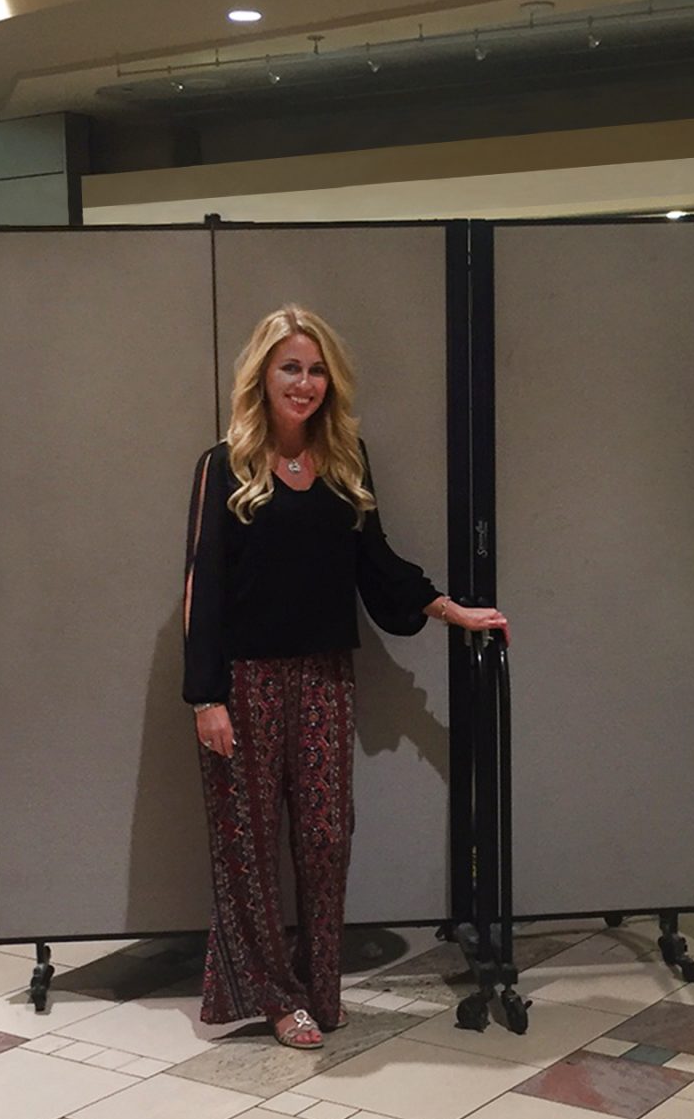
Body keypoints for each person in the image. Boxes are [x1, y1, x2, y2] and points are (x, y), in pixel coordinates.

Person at [183, 304, 508, 1051]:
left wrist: (449, 609)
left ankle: (317, 986)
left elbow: (377, 564)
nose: (304, 382)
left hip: (327, 677)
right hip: (244, 682)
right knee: (250, 845)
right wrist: (205, 695)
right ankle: (275, 996)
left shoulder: (345, 459)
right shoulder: (223, 466)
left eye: (317, 368)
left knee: (328, 836)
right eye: (290, 367)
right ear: (262, 376)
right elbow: (202, 583)